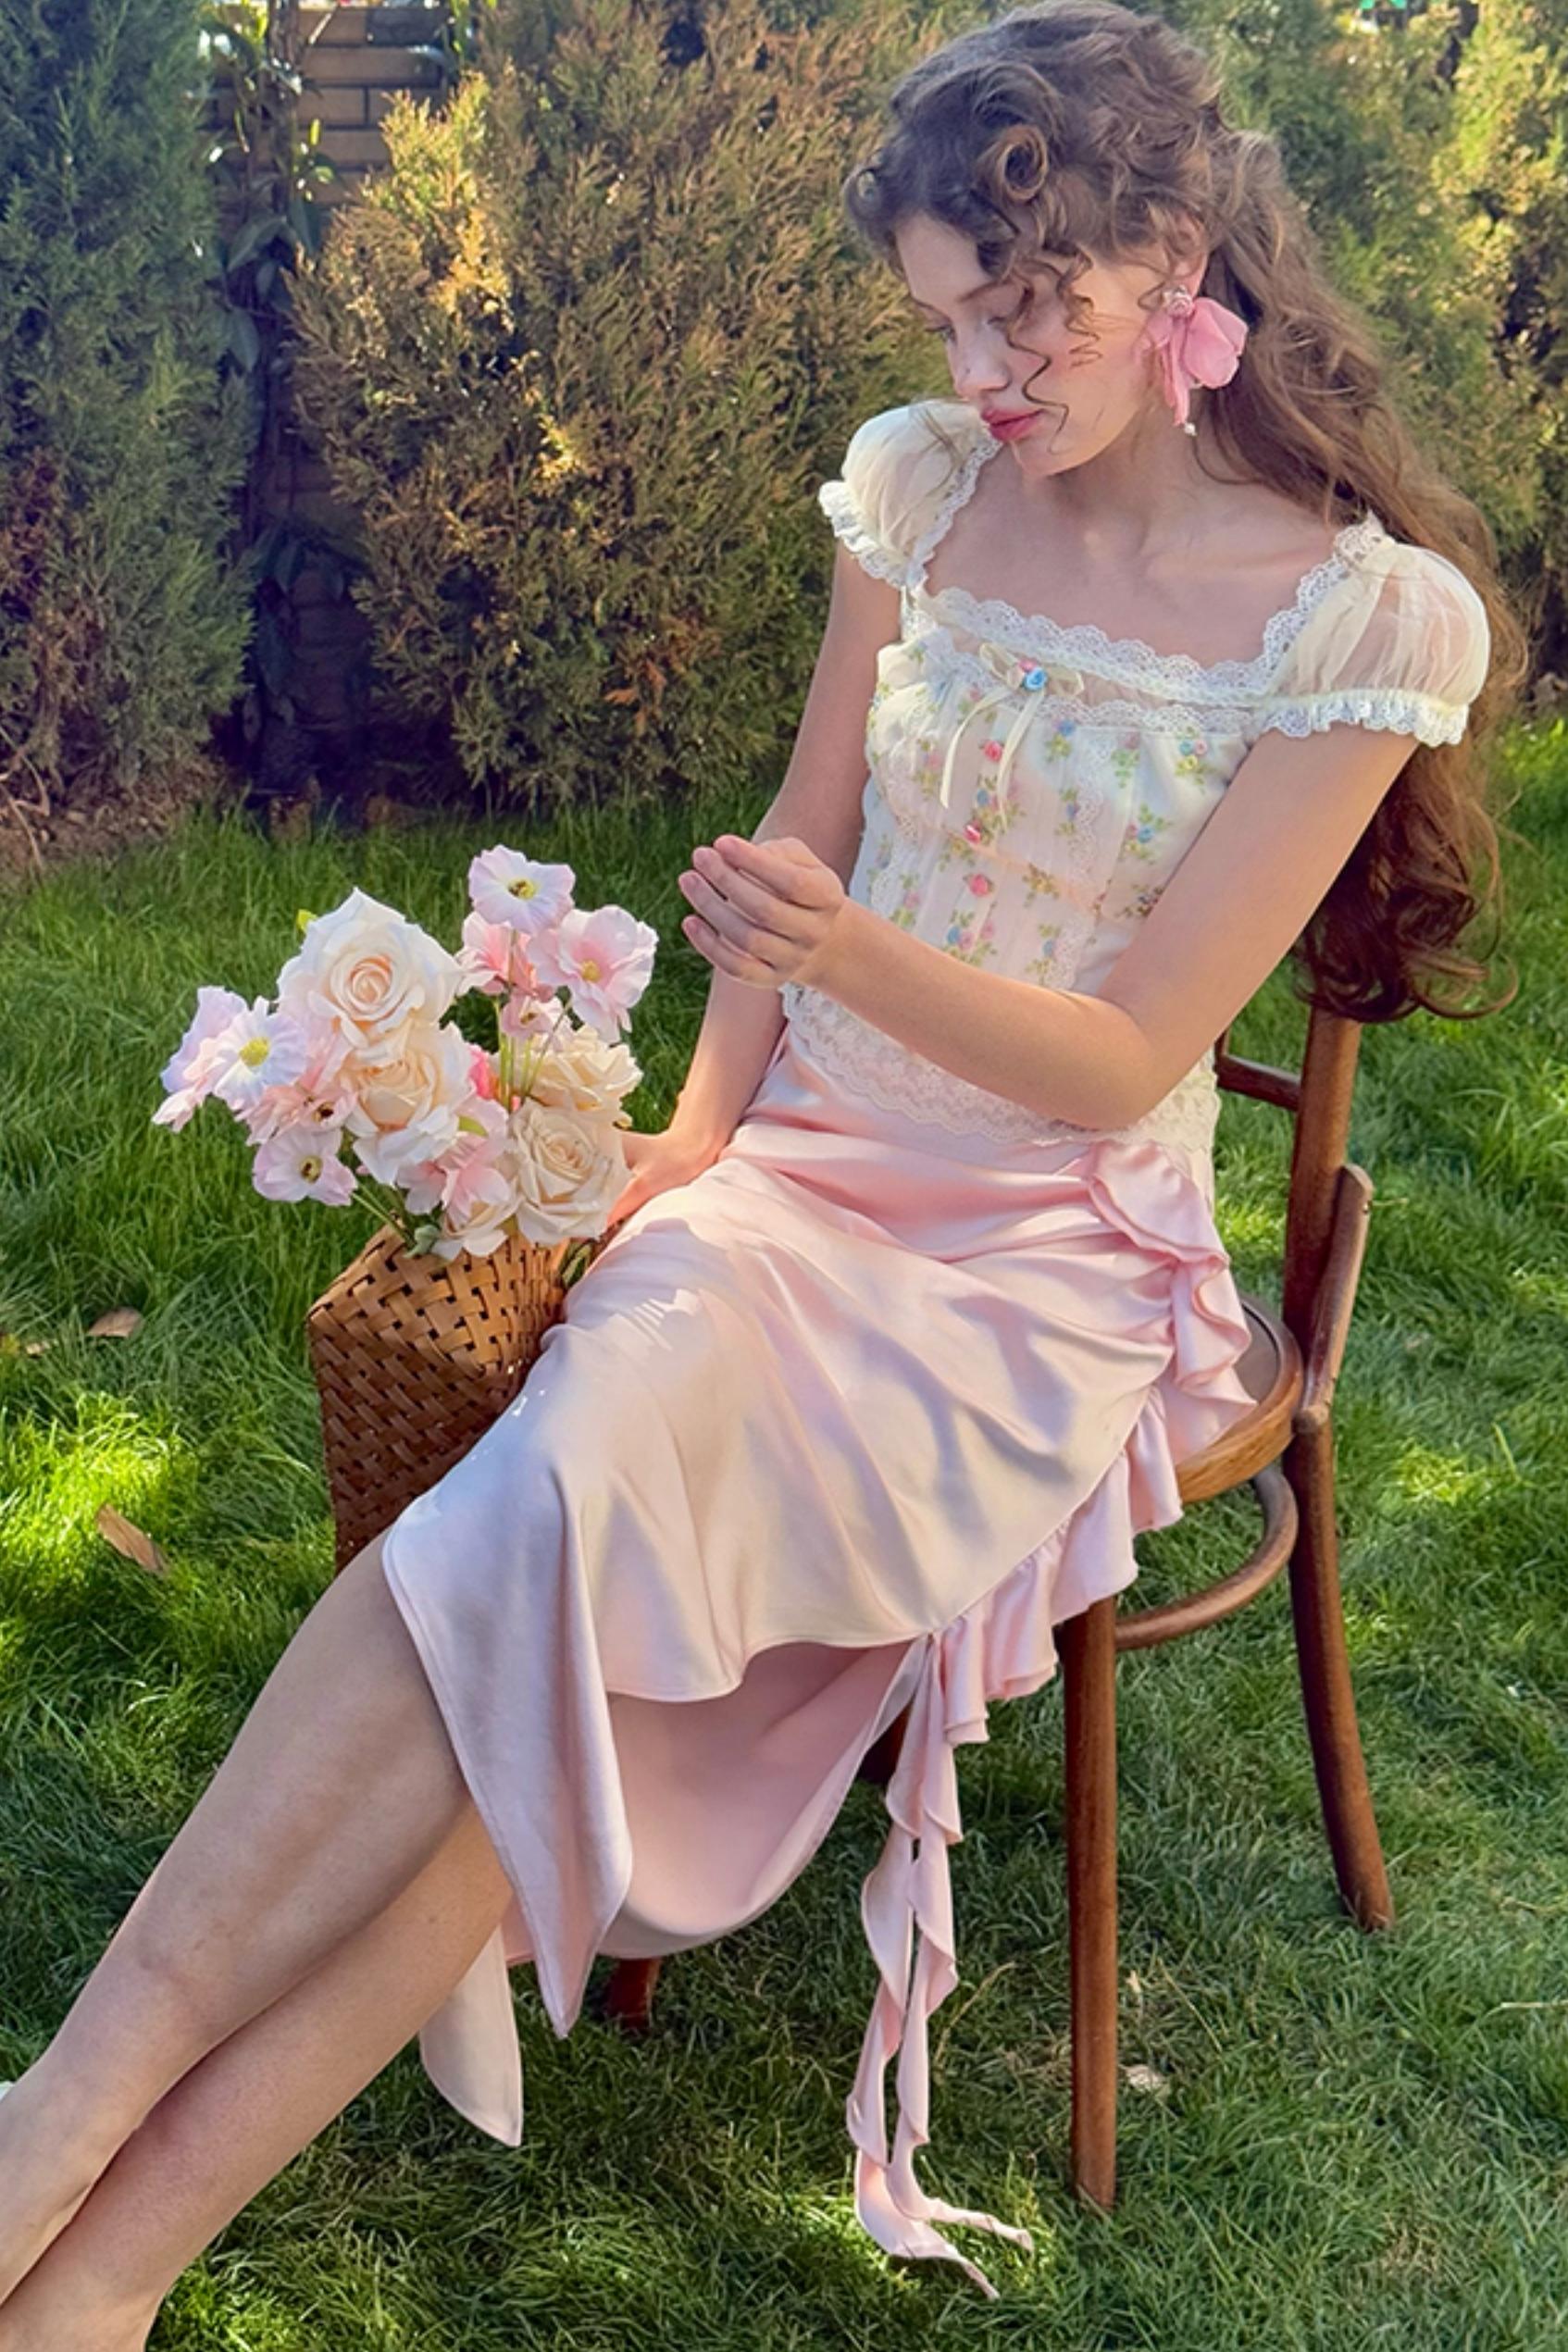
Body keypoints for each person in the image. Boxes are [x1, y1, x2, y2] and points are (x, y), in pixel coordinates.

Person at [0, 0, 1524, 2336]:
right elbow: (806, 830)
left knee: (539, 1576)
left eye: (1024, 314)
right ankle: (73, 2198)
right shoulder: (915, 486)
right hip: (796, 1172)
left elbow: (1127, 1050)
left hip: (1033, 1269)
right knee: (534, 1530)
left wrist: (845, 952)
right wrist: (696, 1138)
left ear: (1173, 252)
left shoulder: (1355, 613)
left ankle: (75, 2212)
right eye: (945, 322)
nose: (982, 372)